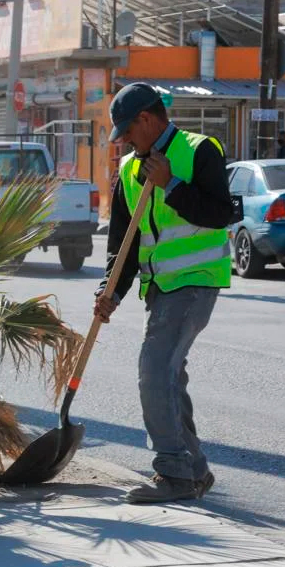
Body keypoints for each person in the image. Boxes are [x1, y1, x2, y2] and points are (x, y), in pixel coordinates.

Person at [95, 82, 232, 504]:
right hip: (159, 287)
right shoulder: (129, 170)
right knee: (169, 375)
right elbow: (124, 243)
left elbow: (220, 214)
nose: (126, 142)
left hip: (195, 281)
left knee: (154, 370)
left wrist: (171, 185)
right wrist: (111, 292)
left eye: (129, 131)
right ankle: (193, 470)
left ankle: (173, 473)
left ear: (149, 119)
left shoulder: (199, 150)